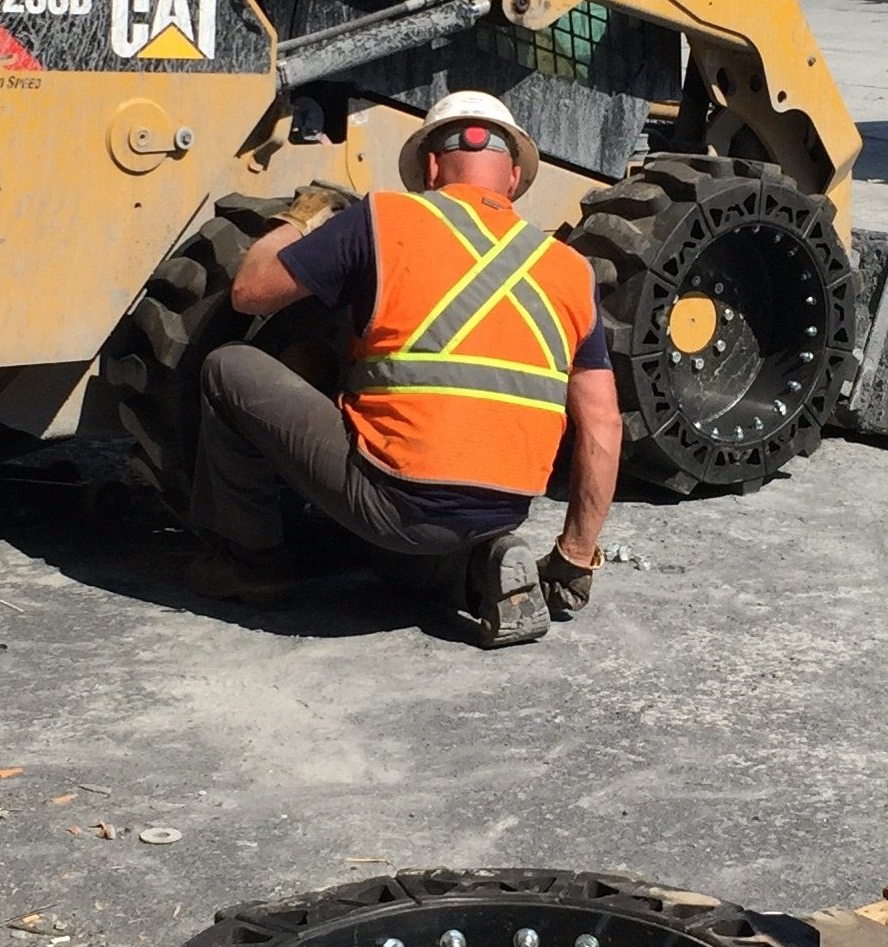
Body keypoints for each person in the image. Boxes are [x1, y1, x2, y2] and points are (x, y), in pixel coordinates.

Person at [184, 91, 620, 645]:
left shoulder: (385, 218)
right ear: (512, 178)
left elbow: (251, 292)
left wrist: (303, 216)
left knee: (229, 367)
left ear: (431, 166)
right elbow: (603, 425)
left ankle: (250, 563)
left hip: (391, 499)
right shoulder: (570, 270)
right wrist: (576, 557)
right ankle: (481, 564)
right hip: (503, 507)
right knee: (399, 544)